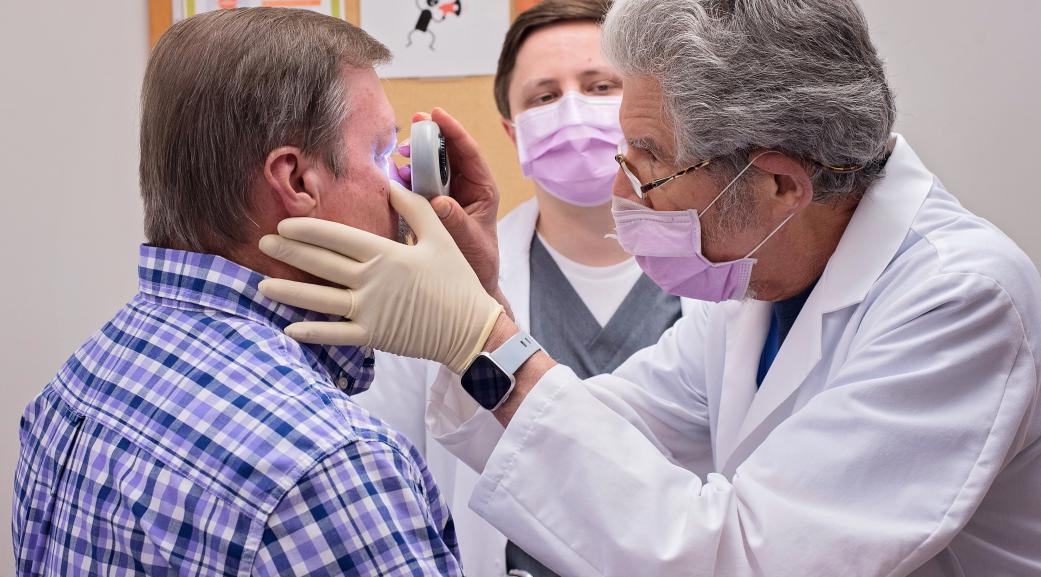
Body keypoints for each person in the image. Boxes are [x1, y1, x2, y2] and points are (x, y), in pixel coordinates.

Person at [259, 0, 1041, 575]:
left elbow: (740, 556)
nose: (619, 186)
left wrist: (484, 341)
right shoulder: (757, 278)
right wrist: (484, 314)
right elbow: (612, 421)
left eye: (645, 157)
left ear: (775, 183)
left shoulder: (961, 298)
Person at [12, 9, 464, 576]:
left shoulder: (74, 388)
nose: (402, 189)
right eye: (379, 153)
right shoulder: (331, 468)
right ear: (296, 180)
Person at [355, 1, 700, 575]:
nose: (574, 109)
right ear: (513, 132)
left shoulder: (724, 281)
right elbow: (390, 470)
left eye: (601, 85)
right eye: (544, 96)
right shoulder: (449, 276)